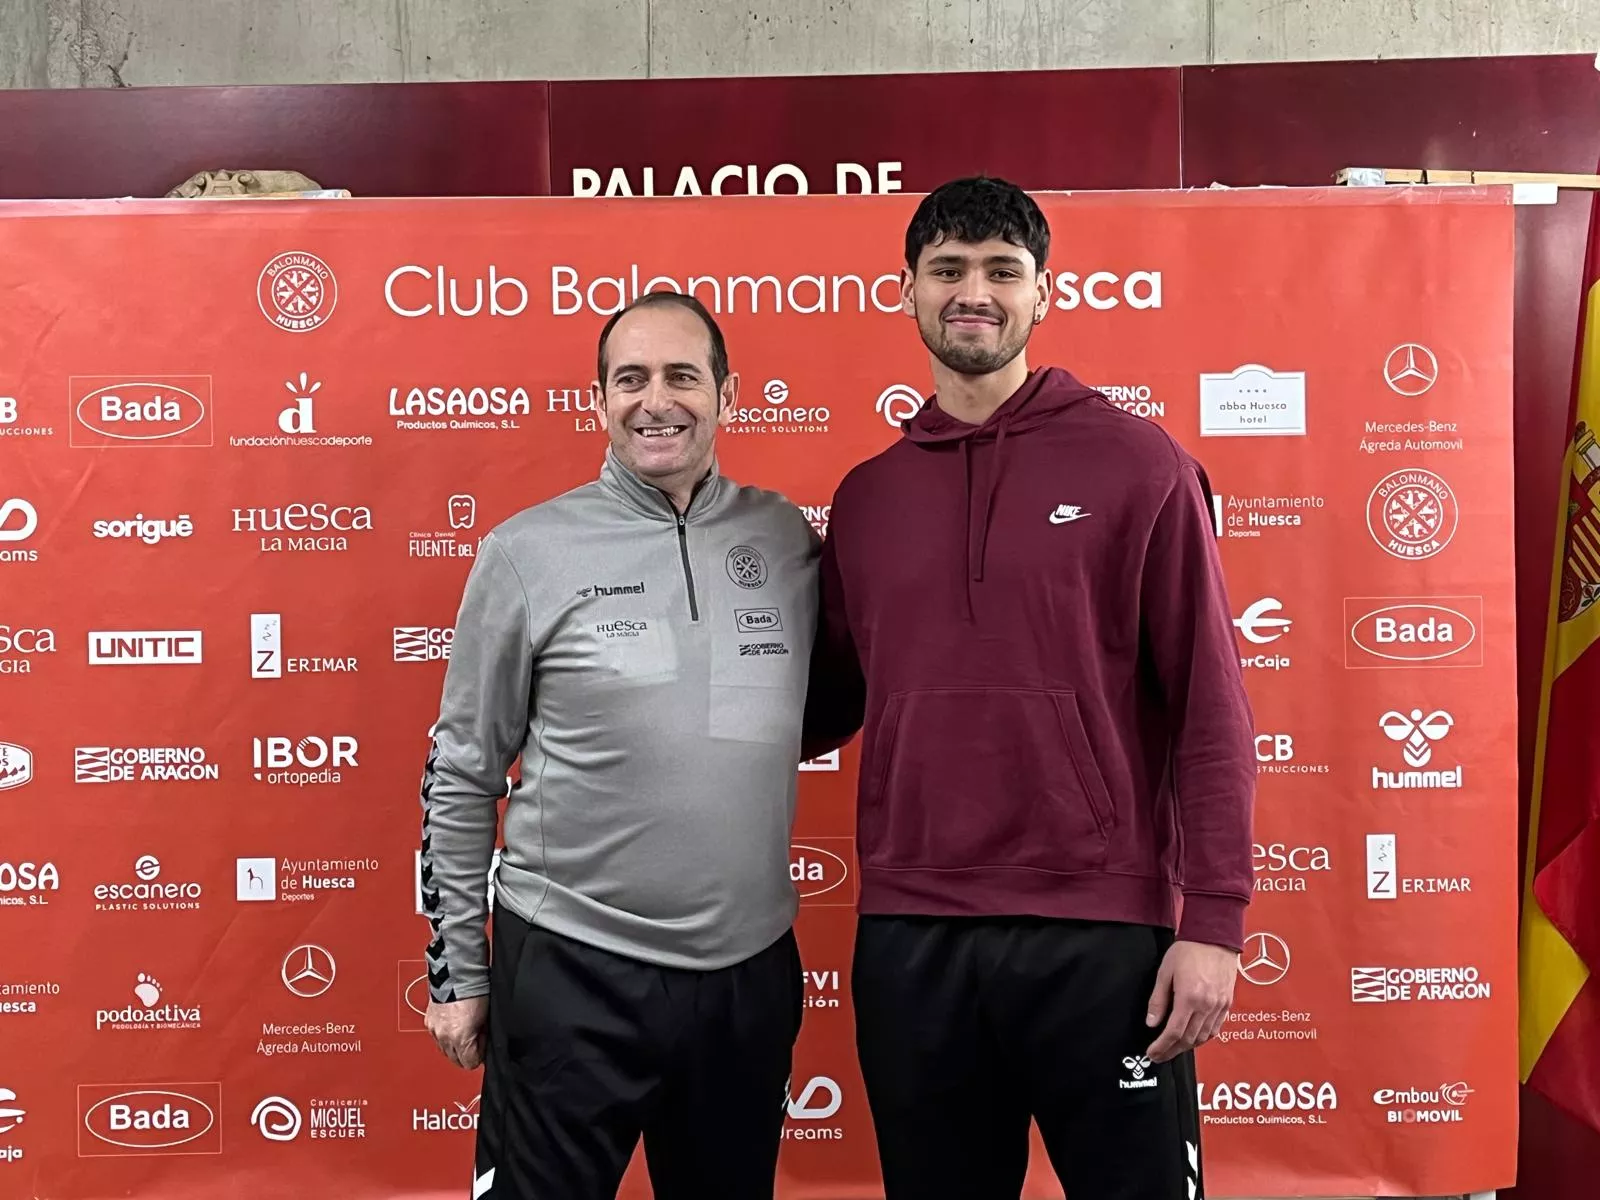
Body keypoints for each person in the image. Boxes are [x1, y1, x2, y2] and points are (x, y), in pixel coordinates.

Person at [803, 176, 1256, 1199]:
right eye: (949, 270)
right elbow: (813, 707)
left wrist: (1214, 920)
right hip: (912, 934)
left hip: (1102, 936)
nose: (975, 292)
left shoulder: (1140, 466)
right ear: (907, 291)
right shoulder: (867, 498)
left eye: (1002, 271)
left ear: (1042, 294)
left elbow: (1210, 710)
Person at [419, 291, 821, 1200]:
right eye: (630, 378)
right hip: (570, 967)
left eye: (683, 375)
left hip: (745, 974)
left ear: (727, 392)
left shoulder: (786, 540)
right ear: (598, 399)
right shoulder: (527, 551)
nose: (657, 400)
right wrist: (458, 972)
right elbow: (459, 774)